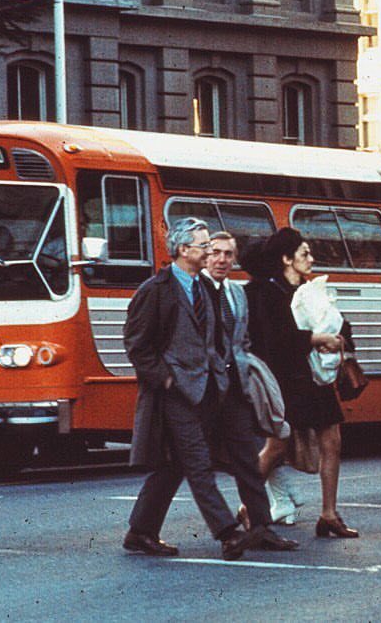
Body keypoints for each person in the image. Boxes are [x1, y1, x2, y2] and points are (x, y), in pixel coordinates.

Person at [122, 217, 265, 561]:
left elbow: (212, 341)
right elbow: (136, 344)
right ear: (183, 250)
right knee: (198, 462)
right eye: (203, 245)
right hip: (174, 393)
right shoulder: (156, 290)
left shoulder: (203, 287)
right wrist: (165, 378)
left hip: (206, 389)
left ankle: (140, 531)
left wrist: (219, 378)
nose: (208, 251)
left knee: (174, 465)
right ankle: (228, 534)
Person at [247, 227, 359, 538]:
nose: (311, 259)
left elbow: (338, 320)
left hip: (314, 378)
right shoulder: (270, 293)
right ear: (286, 259)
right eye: (304, 254)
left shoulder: (310, 290)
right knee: (276, 446)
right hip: (287, 380)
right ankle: (249, 508)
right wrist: (315, 338)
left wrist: (338, 337)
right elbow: (274, 341)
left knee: (332, 441)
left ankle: (329, 513)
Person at [199, 230, 298, 551]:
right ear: (204, 254)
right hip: (200, 391)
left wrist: (241, 371)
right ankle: (142, 527)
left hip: (234, 390)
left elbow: (240, 340)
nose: (222, 260)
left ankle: (261, 528)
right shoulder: (192, 291)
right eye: (215, 252)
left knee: (246, 459)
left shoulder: (235, 293)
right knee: (180, 465)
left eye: (229, 254)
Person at [239, 240, 306, 526]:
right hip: (277, 378)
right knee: (272, 443)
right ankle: (283, 500)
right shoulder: (275, 292)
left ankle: (260, 506)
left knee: (268, 443)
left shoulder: (246, 294)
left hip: (258, 378)